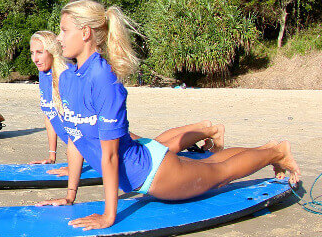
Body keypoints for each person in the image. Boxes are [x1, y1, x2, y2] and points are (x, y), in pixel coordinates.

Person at [38, 0, 300, 230]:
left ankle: (277, 153)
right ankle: (266, 148)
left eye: (64, 30)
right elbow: (75, 139)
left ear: (85, 33)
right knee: (209, 165)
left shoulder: (104, 79)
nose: (59, 38)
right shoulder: (70, 77)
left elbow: (109, 154)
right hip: (144, 158)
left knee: (221, 172)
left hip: (153, 175)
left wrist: (109, 215)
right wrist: (70, 195)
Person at [29, 30, 223, 173]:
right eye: (32, 53)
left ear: (52, 51)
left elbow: (76, 122)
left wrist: (73, 166)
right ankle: (203, 127)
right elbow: (50, 117)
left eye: (40, 52)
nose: (35, 58)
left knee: (159, 150)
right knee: (154, 145)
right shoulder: (44, 76)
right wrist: (51, 154)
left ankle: (210, 131)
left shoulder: (66, 76)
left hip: (105, 137)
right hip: (93, 143)